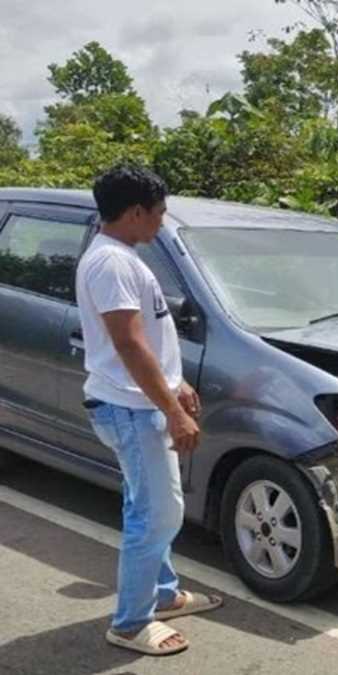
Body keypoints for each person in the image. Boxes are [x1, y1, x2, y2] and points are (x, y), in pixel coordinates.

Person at [77, 164, 222, 656]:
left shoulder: (119, 257)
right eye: (159, 212)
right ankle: (130, 623)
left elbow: (149, 340)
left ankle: (162, 595)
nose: (161, 221)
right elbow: (129, 344)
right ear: (136, 212)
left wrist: (175, 385)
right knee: (157, 514)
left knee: (149, 506)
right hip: (130, 408)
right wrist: (174, 412)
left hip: (136, 404)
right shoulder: (112, 263)